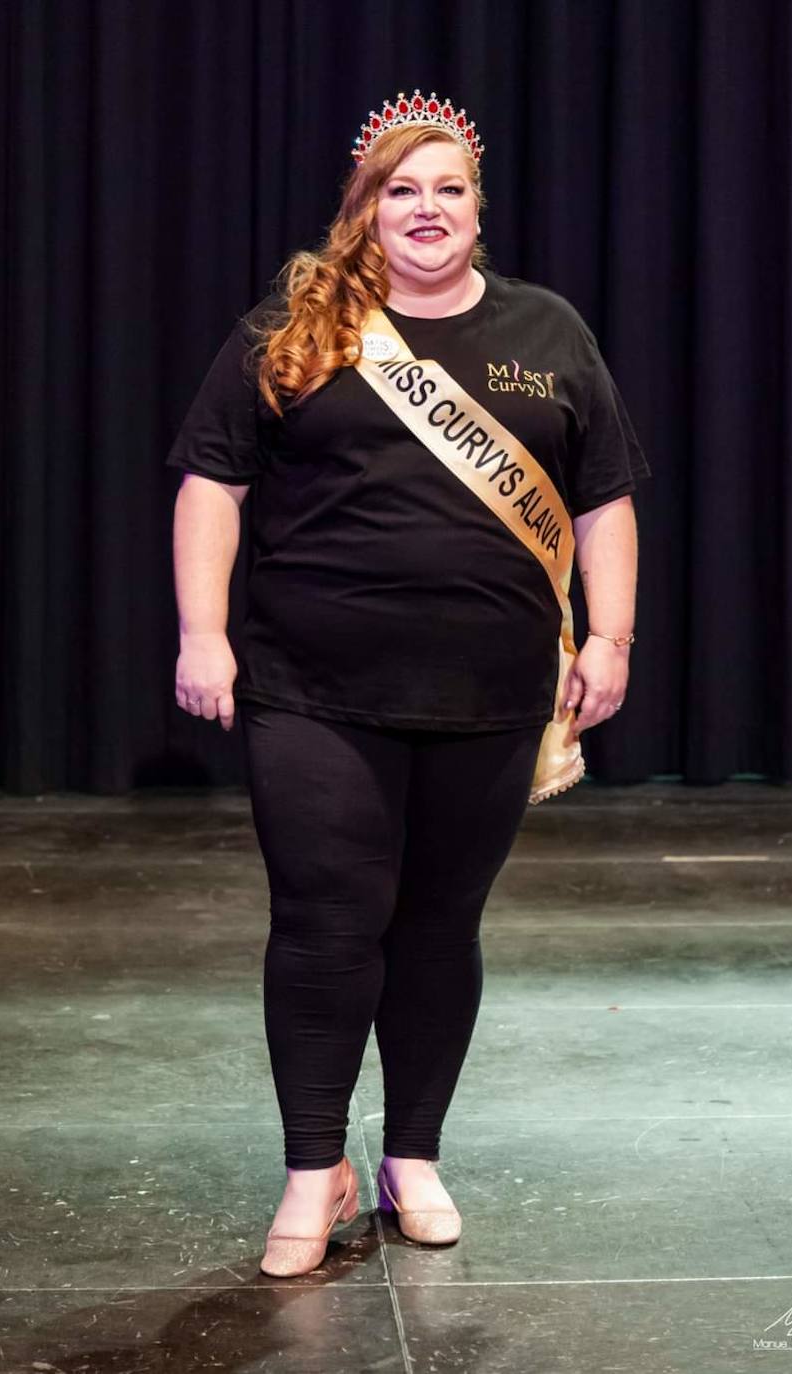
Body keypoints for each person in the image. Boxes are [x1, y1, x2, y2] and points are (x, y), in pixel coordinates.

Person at [165, 89, 650, 1277]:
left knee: (439, 929)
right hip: (311, 687)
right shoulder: (297, 325)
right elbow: (210, 487)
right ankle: (311, 1168)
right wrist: (202, 632)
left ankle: (412, 1158)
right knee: (325, 927)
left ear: (479, 210)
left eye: (448, 190)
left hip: (489, 695)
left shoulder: (550, 333)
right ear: (366, 209)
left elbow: (604, 499)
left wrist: (614, 639)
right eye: (401, 189)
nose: (424, 210)